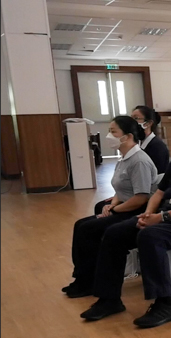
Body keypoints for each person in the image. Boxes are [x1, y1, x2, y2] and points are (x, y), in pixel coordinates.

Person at [78, 107, 171, 328]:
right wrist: (149, 212)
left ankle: (166, 304)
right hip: (164, 215)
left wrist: (162, 218)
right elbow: (159, 192)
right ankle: (109, 299)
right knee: (114, 232)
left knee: (150, 236)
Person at [62, 116, 158, 298]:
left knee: (88, 229)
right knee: (80, 225)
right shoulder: (125, 158)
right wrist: (112, 204)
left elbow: (141, 198)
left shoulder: (139, 161)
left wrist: (114, 210)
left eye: (113, 132)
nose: (109, 135)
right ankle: (83, 278)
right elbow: (121, 188)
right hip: (124, 206)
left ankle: (88, 281)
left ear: (127, 136)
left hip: (136, 211)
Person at [131, 105, 170, 174]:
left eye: (136, 118)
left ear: (148, 123)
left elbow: (158, 173)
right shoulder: (139, 143)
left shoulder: (157, 146)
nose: (131, 122)